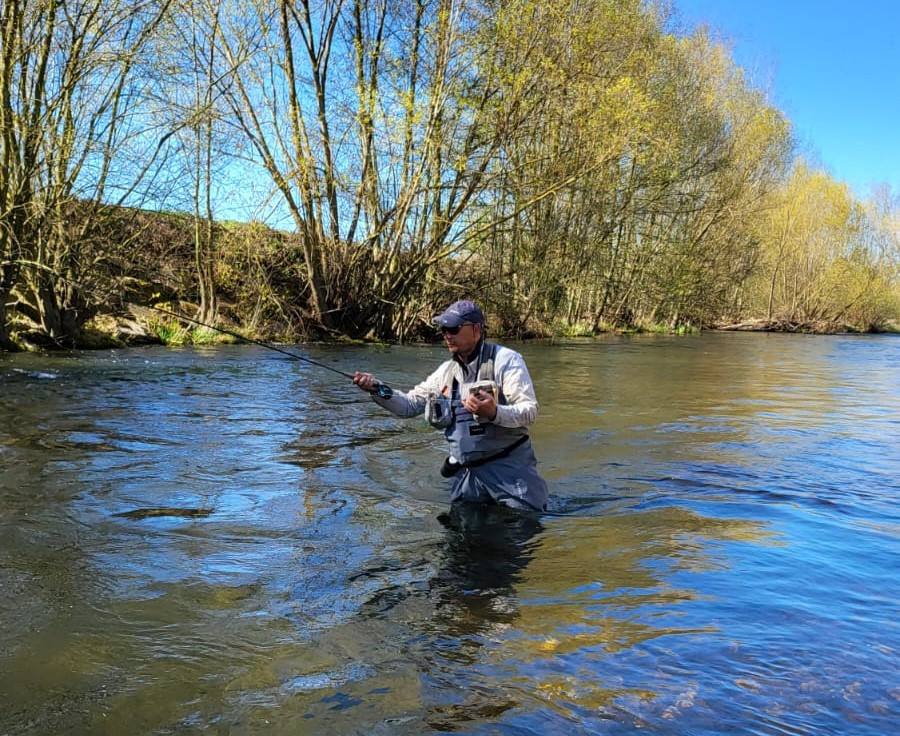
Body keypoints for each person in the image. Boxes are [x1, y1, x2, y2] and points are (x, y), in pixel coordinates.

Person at [353, 299, 548, 511]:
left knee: (520, 531)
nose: (447, 335)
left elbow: (530, 412)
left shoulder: (507, 361)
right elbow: (408, 405)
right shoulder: (445, 372)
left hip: (510, 471)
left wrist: (494, 412)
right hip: (467, 476)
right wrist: (376, 388)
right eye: (444, 329)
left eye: (453, 328)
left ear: (476, 330)